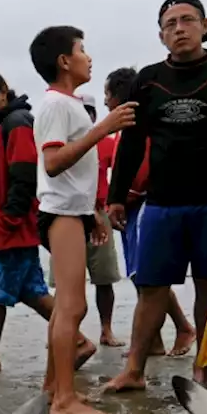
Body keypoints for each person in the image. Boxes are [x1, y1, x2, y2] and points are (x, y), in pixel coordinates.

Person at [103, 0, 207, 395]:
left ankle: (204, 366)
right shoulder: (146, 80)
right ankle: (133, 370)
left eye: (187, 20)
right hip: (162, 201)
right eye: (169, 24)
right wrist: (115, 196)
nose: (179, 29)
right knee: (151, 288)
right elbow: (130, 142)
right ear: (161, 35)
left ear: (205, 24)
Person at [0, 71, 95, 375]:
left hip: (10, 228)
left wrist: (10, 218)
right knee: (30, 291)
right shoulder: (5, 124)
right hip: (6, 226)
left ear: (3, 92)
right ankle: (78, 341)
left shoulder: (16, 123)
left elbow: (26, 175)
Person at [31, 26, 134, 414]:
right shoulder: (56, 104)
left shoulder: (68, 103)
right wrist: (101, 130)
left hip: (71, 211)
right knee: (72, 305)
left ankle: (53, 387)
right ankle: (64, 401)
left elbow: (73, 176)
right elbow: (53, 163)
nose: (88, 57)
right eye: (82, 50)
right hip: (58, 213)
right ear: (63, 61)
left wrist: (90, 211)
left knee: (66, 309)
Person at [104, 66, 197, 357]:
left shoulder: (138, 125)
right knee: (138, 275)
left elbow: (142, 172)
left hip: (142, 205)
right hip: (131, 209)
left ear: (117, 95)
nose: (105, 101)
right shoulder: (122, 128)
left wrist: (120, 197)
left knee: (147, 275)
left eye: (107, 94)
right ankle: (153, 341)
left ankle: (183, 327)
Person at [81, 96, 125, 347]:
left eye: (89, 112)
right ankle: (68, 331)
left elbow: (119, 175)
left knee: (104, 278)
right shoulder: (62, 143)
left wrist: (112, 207)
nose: (85, 117)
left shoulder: (106, 144)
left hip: (100, 212)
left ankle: (106, 330)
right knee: (68, 282)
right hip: (69, 215)